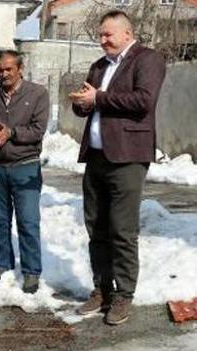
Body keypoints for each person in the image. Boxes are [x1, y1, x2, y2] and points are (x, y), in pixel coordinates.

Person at [69, 10, 166, 325]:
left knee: (123, 231)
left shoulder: (148, 59)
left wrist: (99, 98)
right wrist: (82, 102)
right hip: (96, 156)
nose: (103, 40)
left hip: (127, 156)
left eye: (108, 34)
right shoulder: (99, 66)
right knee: (95, 227)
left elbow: (143, 102)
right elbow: (90, 102)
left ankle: (124, 295)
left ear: (127, 33)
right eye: (100, 35)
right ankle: (101, 290)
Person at [0, 51, 50, 293]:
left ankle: (31, 272)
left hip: (25, 166)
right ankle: (2, 266)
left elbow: (38, 130)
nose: (4, 74)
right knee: (0, 221)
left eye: (9, 69)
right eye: (1, 69)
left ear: (20, 68)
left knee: (28, 222)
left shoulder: (37, 93)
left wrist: (12, 133)